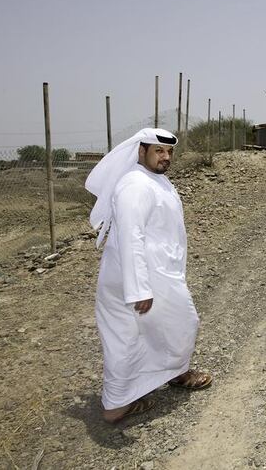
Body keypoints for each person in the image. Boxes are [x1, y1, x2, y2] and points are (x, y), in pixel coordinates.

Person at [85, 127, 212, 424]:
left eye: (169, 152)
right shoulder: (135, 185)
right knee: (173, 324)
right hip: (141, 277)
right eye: (158, 151)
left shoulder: (153, 180)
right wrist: (139, 289)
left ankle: (165, 376)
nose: (165, 157)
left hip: (151, 273)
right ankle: (122, 403)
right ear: (141, 151)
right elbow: (131, 236)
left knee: (138, 335)